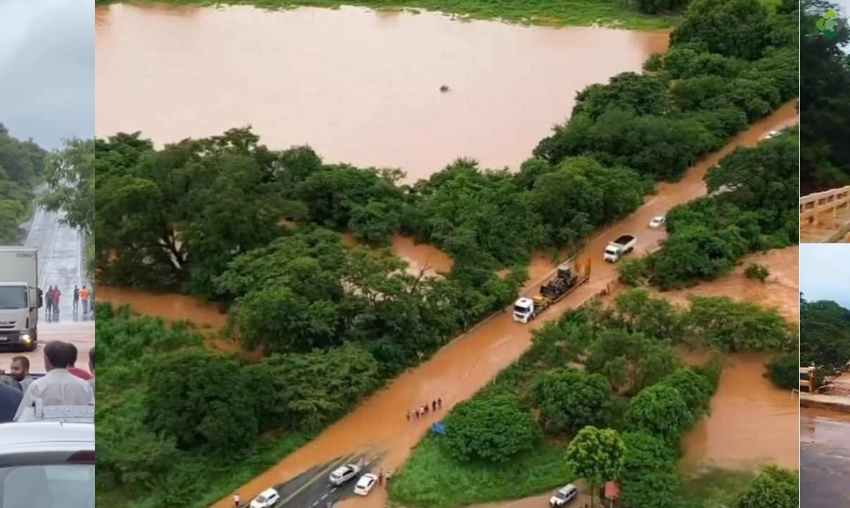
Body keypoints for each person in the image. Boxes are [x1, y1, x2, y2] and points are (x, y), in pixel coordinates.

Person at [14, 341, 94, 420]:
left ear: (46, 359)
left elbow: (21, 417)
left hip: (47, 431)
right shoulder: (84, 386)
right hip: (78, 432)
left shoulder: (37, 386)